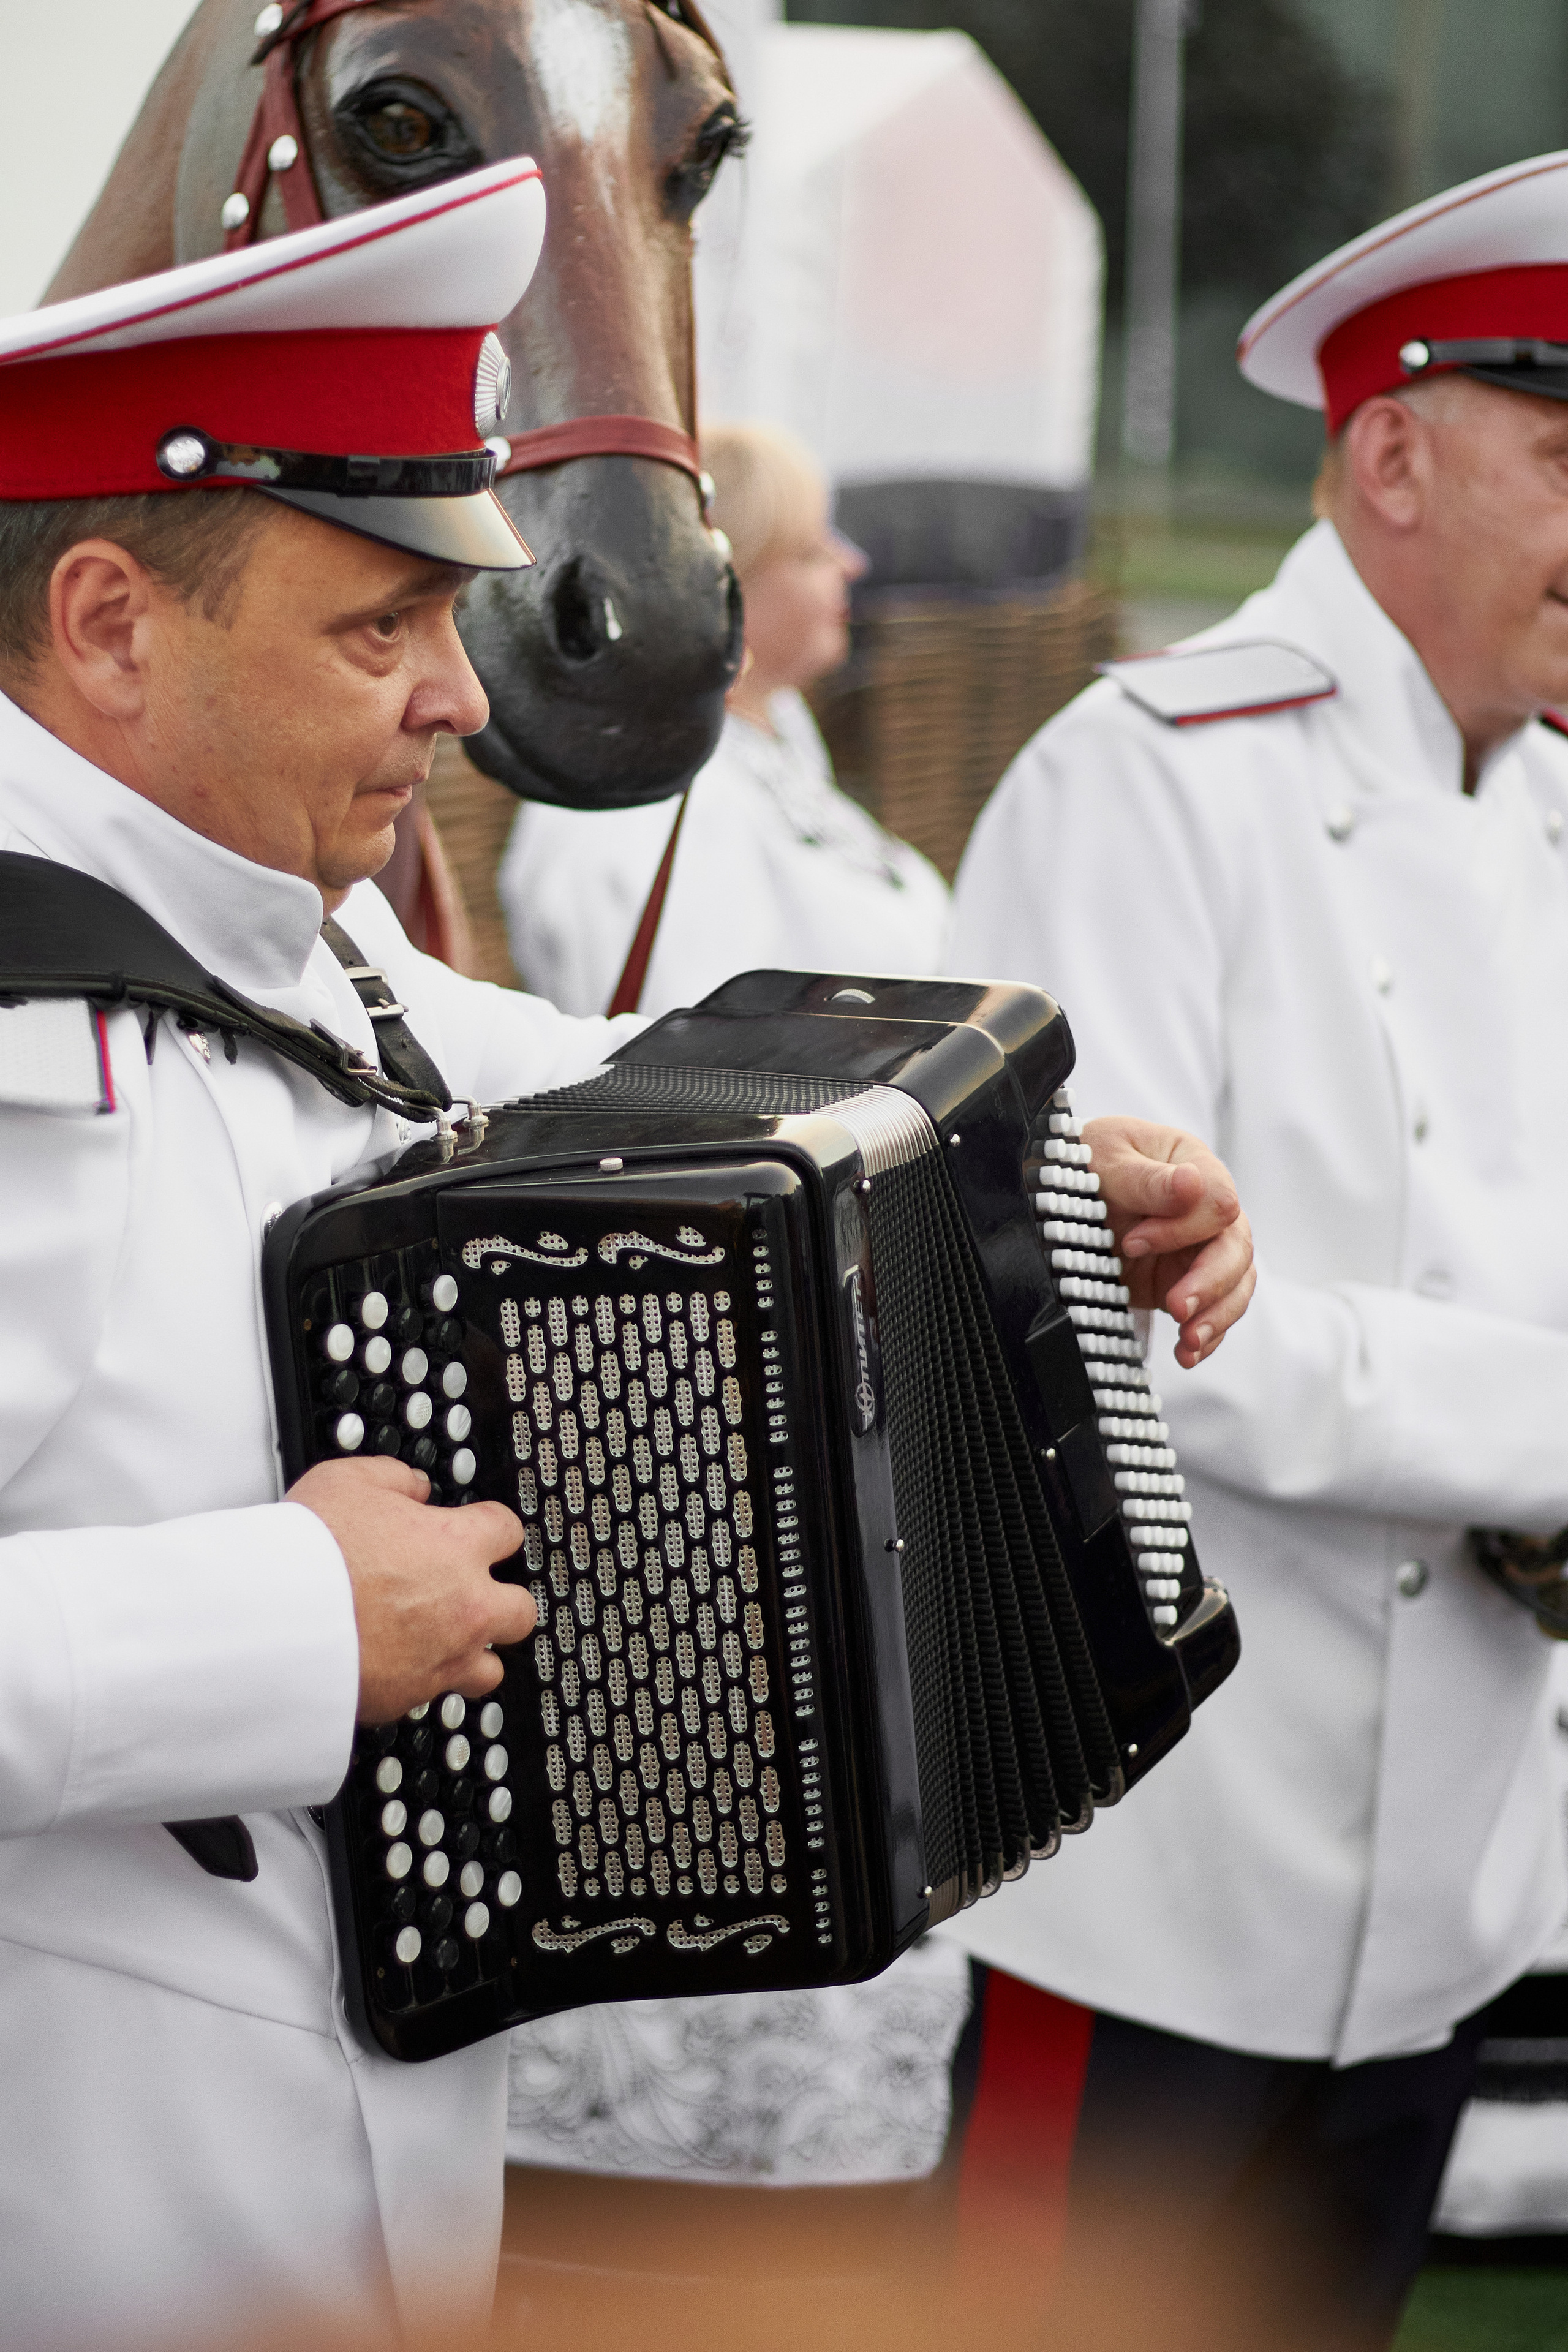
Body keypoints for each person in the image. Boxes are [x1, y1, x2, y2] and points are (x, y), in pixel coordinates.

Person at [0, 163, 1254, 2351]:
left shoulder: (306, 949)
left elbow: (609, 1083)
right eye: (374, 630)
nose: (458, 706)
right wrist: (287, 1615)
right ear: (109, 621)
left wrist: (1015, 1201)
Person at [944, 149, 1568, 2348]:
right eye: (1564, 460)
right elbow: (1083, 1334)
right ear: (1386, 455)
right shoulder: (1146, 776)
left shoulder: (1547, 813)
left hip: (1443, 1905)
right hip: (1152, 1896)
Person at [497, 421, 949, 1016]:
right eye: (812, 552)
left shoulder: (775, 725)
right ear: (720, 585)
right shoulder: (639, 794)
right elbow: (670, 1052)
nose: (851, 563)